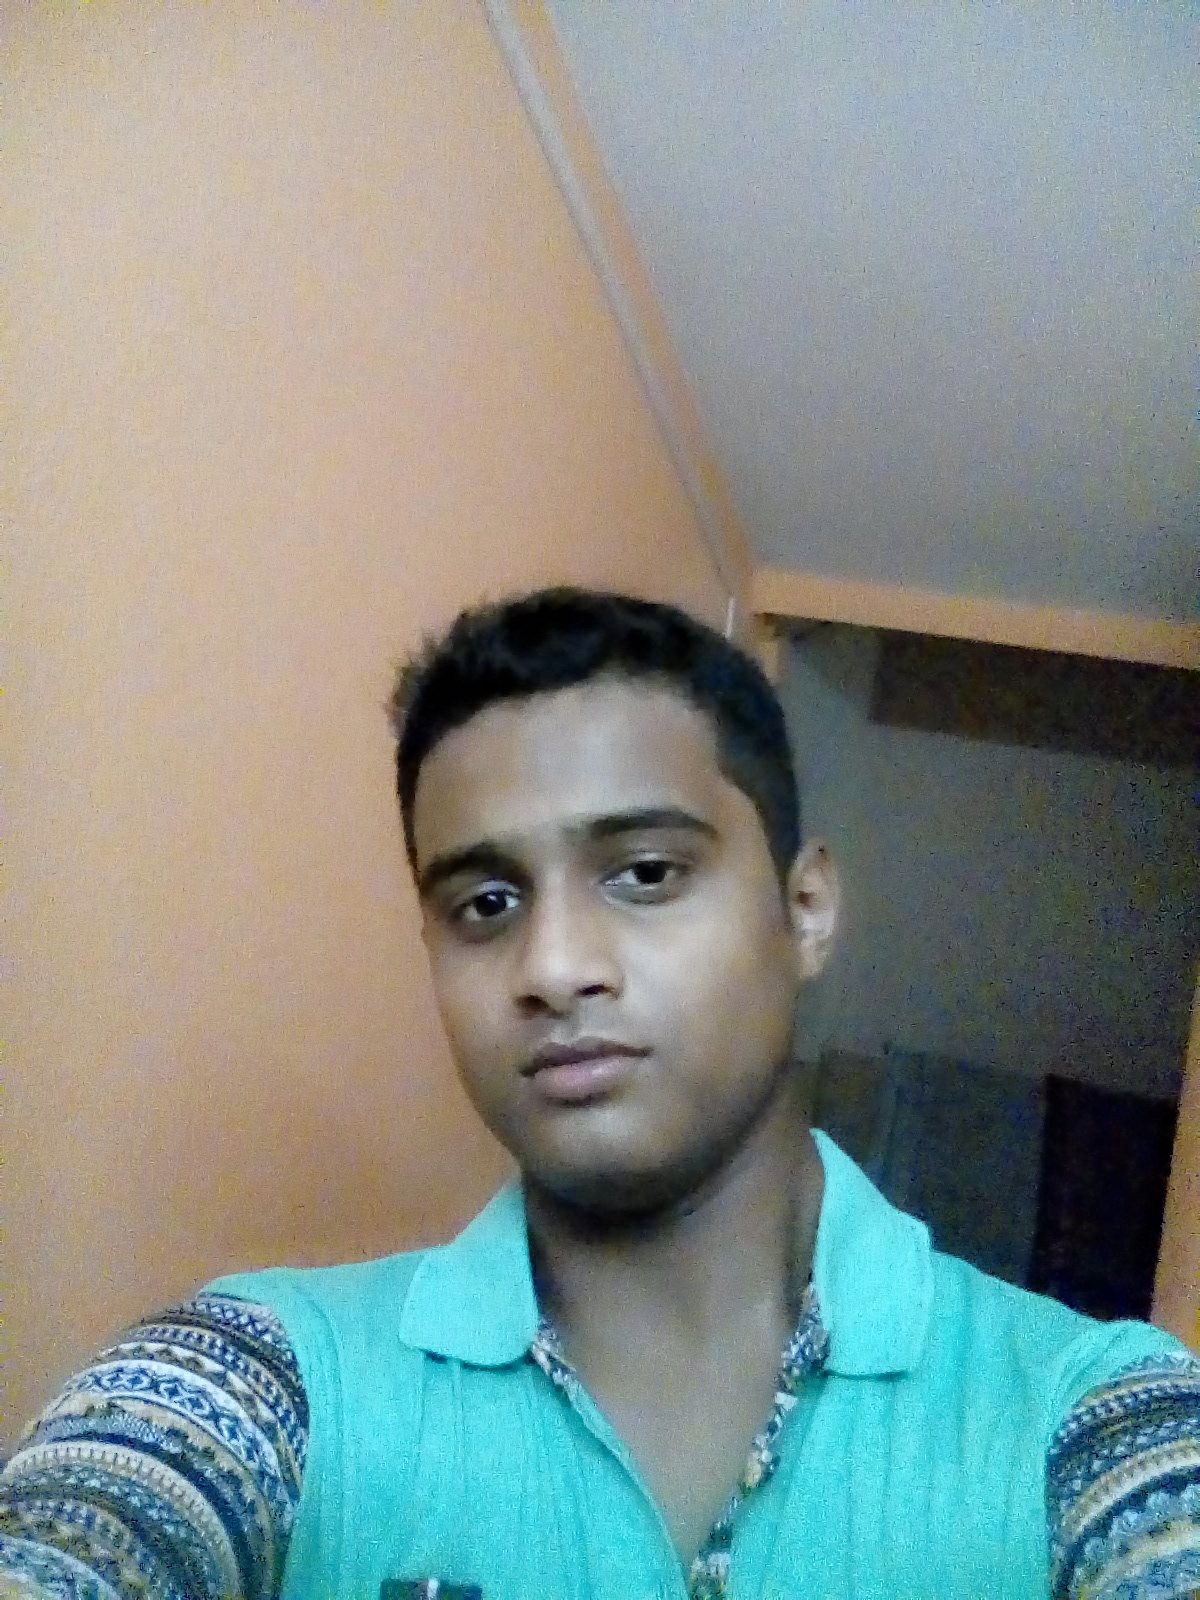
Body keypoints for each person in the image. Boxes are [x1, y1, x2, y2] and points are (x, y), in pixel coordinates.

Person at [2, 586, 1197, 1600]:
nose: (554, 965)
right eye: (486, 902)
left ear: (805, 910)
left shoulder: (1084, 1416)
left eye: (645, 871)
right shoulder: (274, 1383)